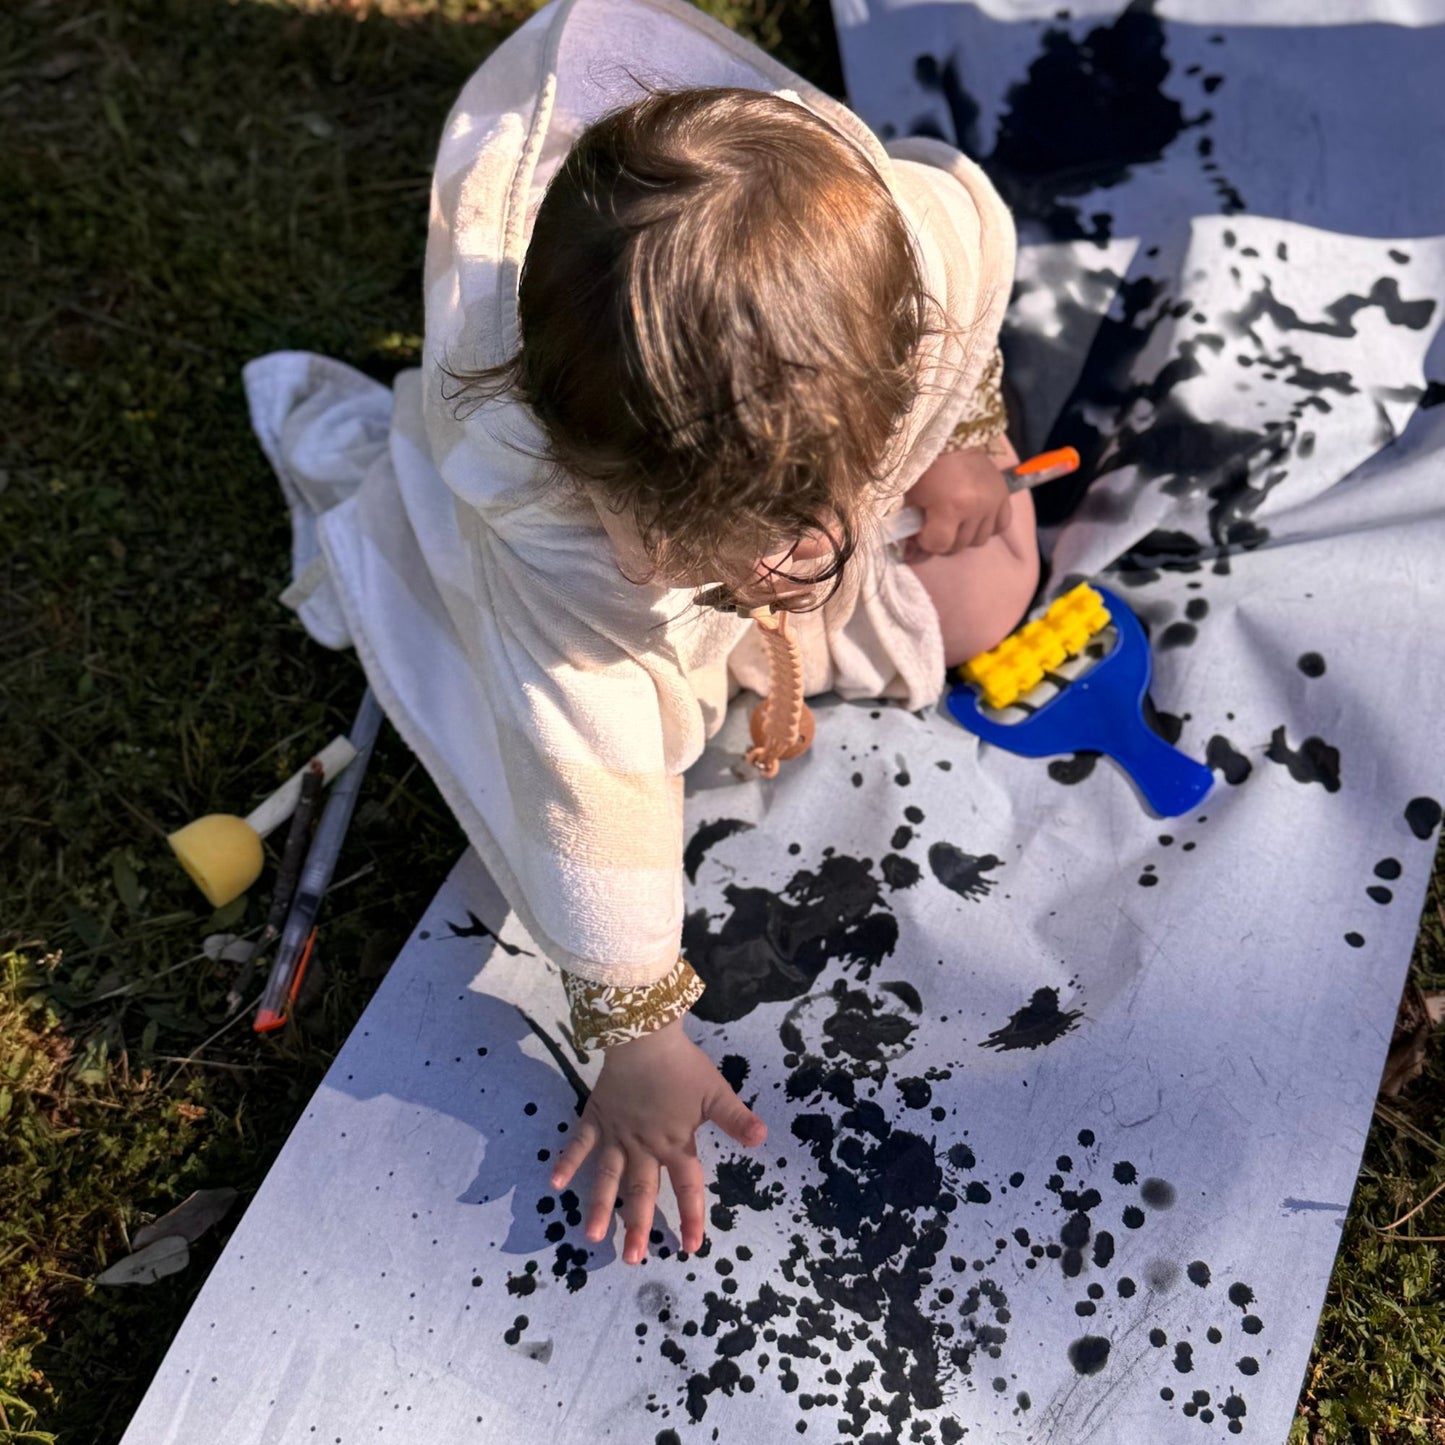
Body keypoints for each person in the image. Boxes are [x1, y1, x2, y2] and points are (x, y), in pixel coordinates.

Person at [248, 0, 1032, 1270]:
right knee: (557, 747)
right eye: (649, 527)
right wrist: (636, 1033)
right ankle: (417, 531)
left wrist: (960, 439)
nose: (664, 564)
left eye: (761, 529)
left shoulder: (912, 271)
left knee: (987, 585)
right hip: (571, 541)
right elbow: (588, 786)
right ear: (572, 451)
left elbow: (968, 269)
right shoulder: (548, 507)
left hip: (814, 399)